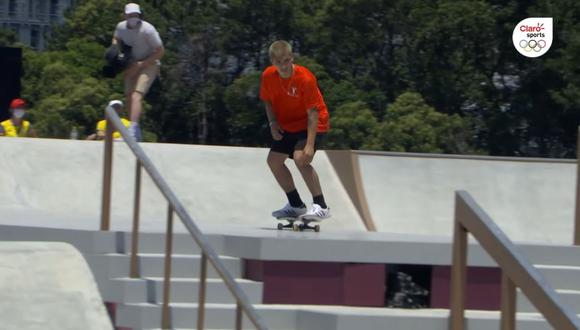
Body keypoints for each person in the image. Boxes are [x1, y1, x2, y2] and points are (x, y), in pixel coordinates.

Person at [259, 40, 331, 220]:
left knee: (301, 159)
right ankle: (295, 204)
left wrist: (309, 145)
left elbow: (313, 114)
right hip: (288, 123)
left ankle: (321, 206)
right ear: (272, 62)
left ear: (291, 58)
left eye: (286, 61)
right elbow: (267, 100)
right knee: (274, 161)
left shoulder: (304, 78)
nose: (283, 66)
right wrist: (273, 123)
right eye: (278, 62)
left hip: (313, 122)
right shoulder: (268, 76)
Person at [111, 2, 164, 141]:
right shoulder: (121, 27)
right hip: (132, 62)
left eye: (136, 15)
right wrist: (115, 48)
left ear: (140, 15)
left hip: (150, 62)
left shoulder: (148, 30)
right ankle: (135, 129)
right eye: (130, 15)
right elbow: (116, 37)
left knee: (136, 95)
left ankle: (132, 131)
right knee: (128, 97)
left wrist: (141, 65)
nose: (133, 17)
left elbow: (160, 51)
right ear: (125, 15)